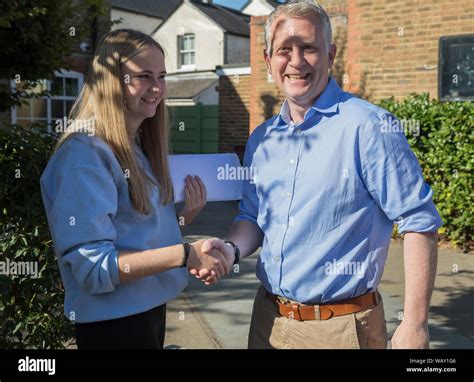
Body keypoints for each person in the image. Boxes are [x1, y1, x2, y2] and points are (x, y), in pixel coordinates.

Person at [194, 1, 442, 349]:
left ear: (331, 54)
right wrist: (230, 250)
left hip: (341, 329)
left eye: (308, 48)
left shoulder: (370, 128)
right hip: (268, 320)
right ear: (268, 60)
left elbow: (419, 221)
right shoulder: (262, 139)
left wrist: (416, 324)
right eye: (284, 50)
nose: (296, 62)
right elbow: (252, 217)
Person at [40, 29, 232, 349]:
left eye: (161, 75)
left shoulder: (131, 147)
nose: (157, 88)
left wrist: (183, 219)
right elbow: (94, 268)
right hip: (114, 328)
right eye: (143, 76)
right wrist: (187, 254)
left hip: (145, 314)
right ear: (112, 81)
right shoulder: (84, 155)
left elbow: (135, 238)